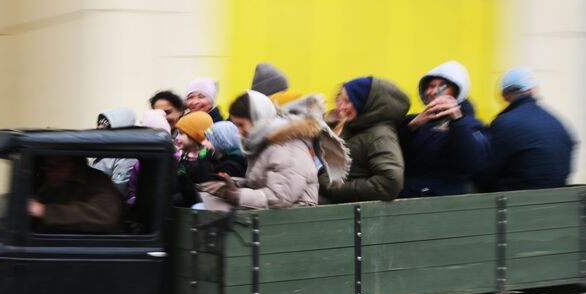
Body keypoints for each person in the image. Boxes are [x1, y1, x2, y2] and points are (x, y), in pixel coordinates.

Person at [200, 94, 349, 210]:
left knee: (205, 210)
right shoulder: (264, 143)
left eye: (241, 125)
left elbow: (280, 197)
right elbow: (261, 183)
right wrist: (231, 184)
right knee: (207, 203)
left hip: (290, 220)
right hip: (272, 215)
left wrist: (237, 195)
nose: (238, 132)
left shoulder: (287, 146)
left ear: (257, 118)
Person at [474, 68, 576, 191]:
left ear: (504, 96)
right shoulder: (557, 122)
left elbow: (486, 172)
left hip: (515, 198)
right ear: (532, 90)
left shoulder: (504, 123)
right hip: (558, 195)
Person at [397, 60, 489, 197]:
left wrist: (457, 122)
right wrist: (410, 127)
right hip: (408, 195)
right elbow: (392, 153)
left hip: (441, 201)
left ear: (457, 92)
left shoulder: (471, 125)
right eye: (430, 86)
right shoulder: (415, 121)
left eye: (442, 87)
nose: (433, 92)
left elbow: (470, 164)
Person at [319, 76, 409, 203]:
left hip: (346, 209)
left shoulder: (380, 136)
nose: (341, 107)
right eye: (340, 100)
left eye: (348, 101)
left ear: (365, 104)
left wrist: (335, 189)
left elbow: (390, 183)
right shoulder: (355, 126)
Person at [28, 155, 123, 233]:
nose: (52, 172)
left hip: (93, 245)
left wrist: (45, 211)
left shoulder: (96, 180)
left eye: (60, 164)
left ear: (73, 163)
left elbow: (107, 215)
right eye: (48, 166)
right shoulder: (48, 183)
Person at [92, 107, 139, 197]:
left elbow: (118, 190)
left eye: (104, 126)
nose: (99, 128)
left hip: (108, 202)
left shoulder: (127, 156)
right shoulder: (102, 150)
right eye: (99, 124)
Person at [170, 111, 213, 207]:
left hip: (192, 203)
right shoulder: (183, 154)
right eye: (177, 133)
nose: (177, 138)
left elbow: (201, 181)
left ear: (196, 136)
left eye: (181, 134)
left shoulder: (204, 157)